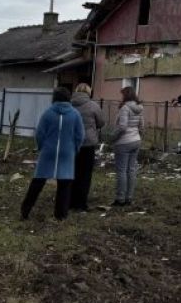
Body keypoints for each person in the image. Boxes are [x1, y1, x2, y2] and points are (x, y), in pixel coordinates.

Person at [21, 87, 85, 221]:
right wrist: (75, 148)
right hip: (67, 152)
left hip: (48, 151)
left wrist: (41, 147)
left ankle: (25, 210)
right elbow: (80, 135)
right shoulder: (75, 114)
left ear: (54, 98)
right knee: (65, 184)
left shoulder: (48, 113)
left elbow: (39, 133)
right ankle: (61, 215)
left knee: (38, 181)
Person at [70, 83, 105, 212]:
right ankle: (81, 203)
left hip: (71, 143)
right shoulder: (93, 106)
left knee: (71, 172)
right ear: (89, 92)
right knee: (85, 174)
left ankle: (69, 201)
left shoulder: (69, 105)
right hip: (88, 143)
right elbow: (101, 122)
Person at [112, 86, 143, 207]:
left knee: (122, 171)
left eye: (122, 95)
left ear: (126, 95)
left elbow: (122, 127)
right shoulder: (140, 108)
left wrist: (113, 137)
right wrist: (138, 136)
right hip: (136, 140)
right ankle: (129, 198)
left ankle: (120, 199)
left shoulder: (125, 108)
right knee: (131, 170)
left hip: (123, 142)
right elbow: (142, 126)